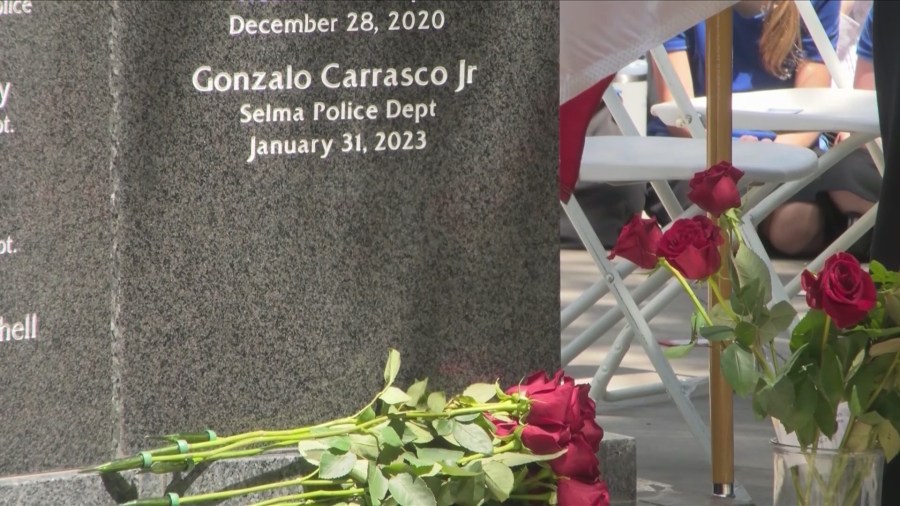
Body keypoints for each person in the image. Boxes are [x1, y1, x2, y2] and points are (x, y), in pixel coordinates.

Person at [649, 0, 880, 260]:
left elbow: (812, 111)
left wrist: (770, 153)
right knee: (778, 225)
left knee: (800, 218)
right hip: (698, 150)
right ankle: (855, 228)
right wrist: (739, 154)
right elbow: (679, 116)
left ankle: (862, 230)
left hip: (786, 148)